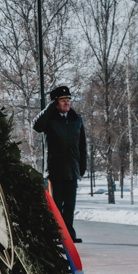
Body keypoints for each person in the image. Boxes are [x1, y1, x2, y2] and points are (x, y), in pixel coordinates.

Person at [32, 85, 87, 243]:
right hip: (55, 171)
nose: (67, 103)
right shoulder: (50, 120)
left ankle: (69, 234)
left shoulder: (77, 119)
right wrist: (49, 108)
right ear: (55, 103)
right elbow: (36, 126)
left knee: (69, 206)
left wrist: (82, 166)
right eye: (63, 100)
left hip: (72, 170)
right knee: (56, 205)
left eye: (68, 100)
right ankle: (56, 234)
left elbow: (82, 145)